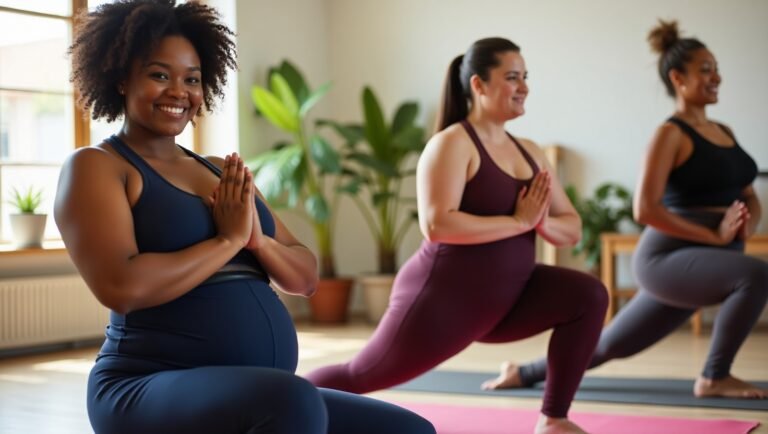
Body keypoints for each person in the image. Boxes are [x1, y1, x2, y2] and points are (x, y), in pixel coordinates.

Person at [54, 1, 436, 433]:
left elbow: (305, 277)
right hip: (141, 386)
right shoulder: (97, 166)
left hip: (263, 392)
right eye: (160, 75)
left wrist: (258, 242)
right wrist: (226, 242)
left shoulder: (219, 168)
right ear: (121, 78)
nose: (180, 91)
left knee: (409, 431)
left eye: (192, 79)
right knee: (292, 402)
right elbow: (121, 287)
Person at [305, 37, 608, 434]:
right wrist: (519, 222)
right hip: (443, 302)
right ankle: (280, 402)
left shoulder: (531, 151)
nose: (524, 88)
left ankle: (553, 419)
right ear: (479, 85)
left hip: (508, 298)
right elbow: (438, 224)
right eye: (512, 77)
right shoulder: (451, 144)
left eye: (525, 77)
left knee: (587, 295)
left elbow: (571, 225)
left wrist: (540, 222)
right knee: (362, 375)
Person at [485, 20, 768, 400]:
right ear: (678, 78)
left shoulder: (725, 131)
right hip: (668, 258)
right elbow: (644, 209)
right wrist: (713, 235)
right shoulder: (671, 134)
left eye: (717, 69)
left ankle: (523, 372)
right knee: (756, 275)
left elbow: (747, 192)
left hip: (710, 256)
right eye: (705, 70)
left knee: (611, 345)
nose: (716, 77)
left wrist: (746, 228)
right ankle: (715, 376)